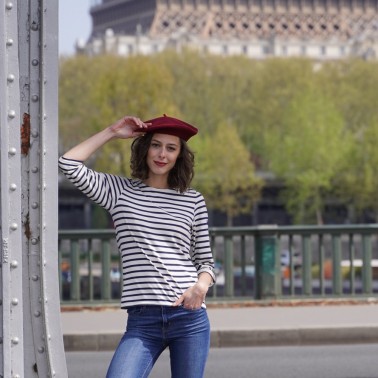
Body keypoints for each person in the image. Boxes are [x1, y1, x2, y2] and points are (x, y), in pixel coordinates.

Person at [58, 114, 215, 378]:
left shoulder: (192, 200)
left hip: (189, 319)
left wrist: (200, 287)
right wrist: (111, 131)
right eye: (156, 145)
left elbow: (205, 261)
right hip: (143, 321)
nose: (162, 154)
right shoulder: (120, 192)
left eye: (171, 148)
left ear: (179, 156)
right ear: (145, 148)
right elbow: (68, 164)